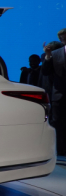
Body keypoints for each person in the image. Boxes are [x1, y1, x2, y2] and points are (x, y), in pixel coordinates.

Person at [42, 29, 66, 157]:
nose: (64, 40)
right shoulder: (55, 54)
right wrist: (48, 56)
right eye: (62, 38)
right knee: (58, 124)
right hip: (60, 95)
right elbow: (46, 72)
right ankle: (60, 150)